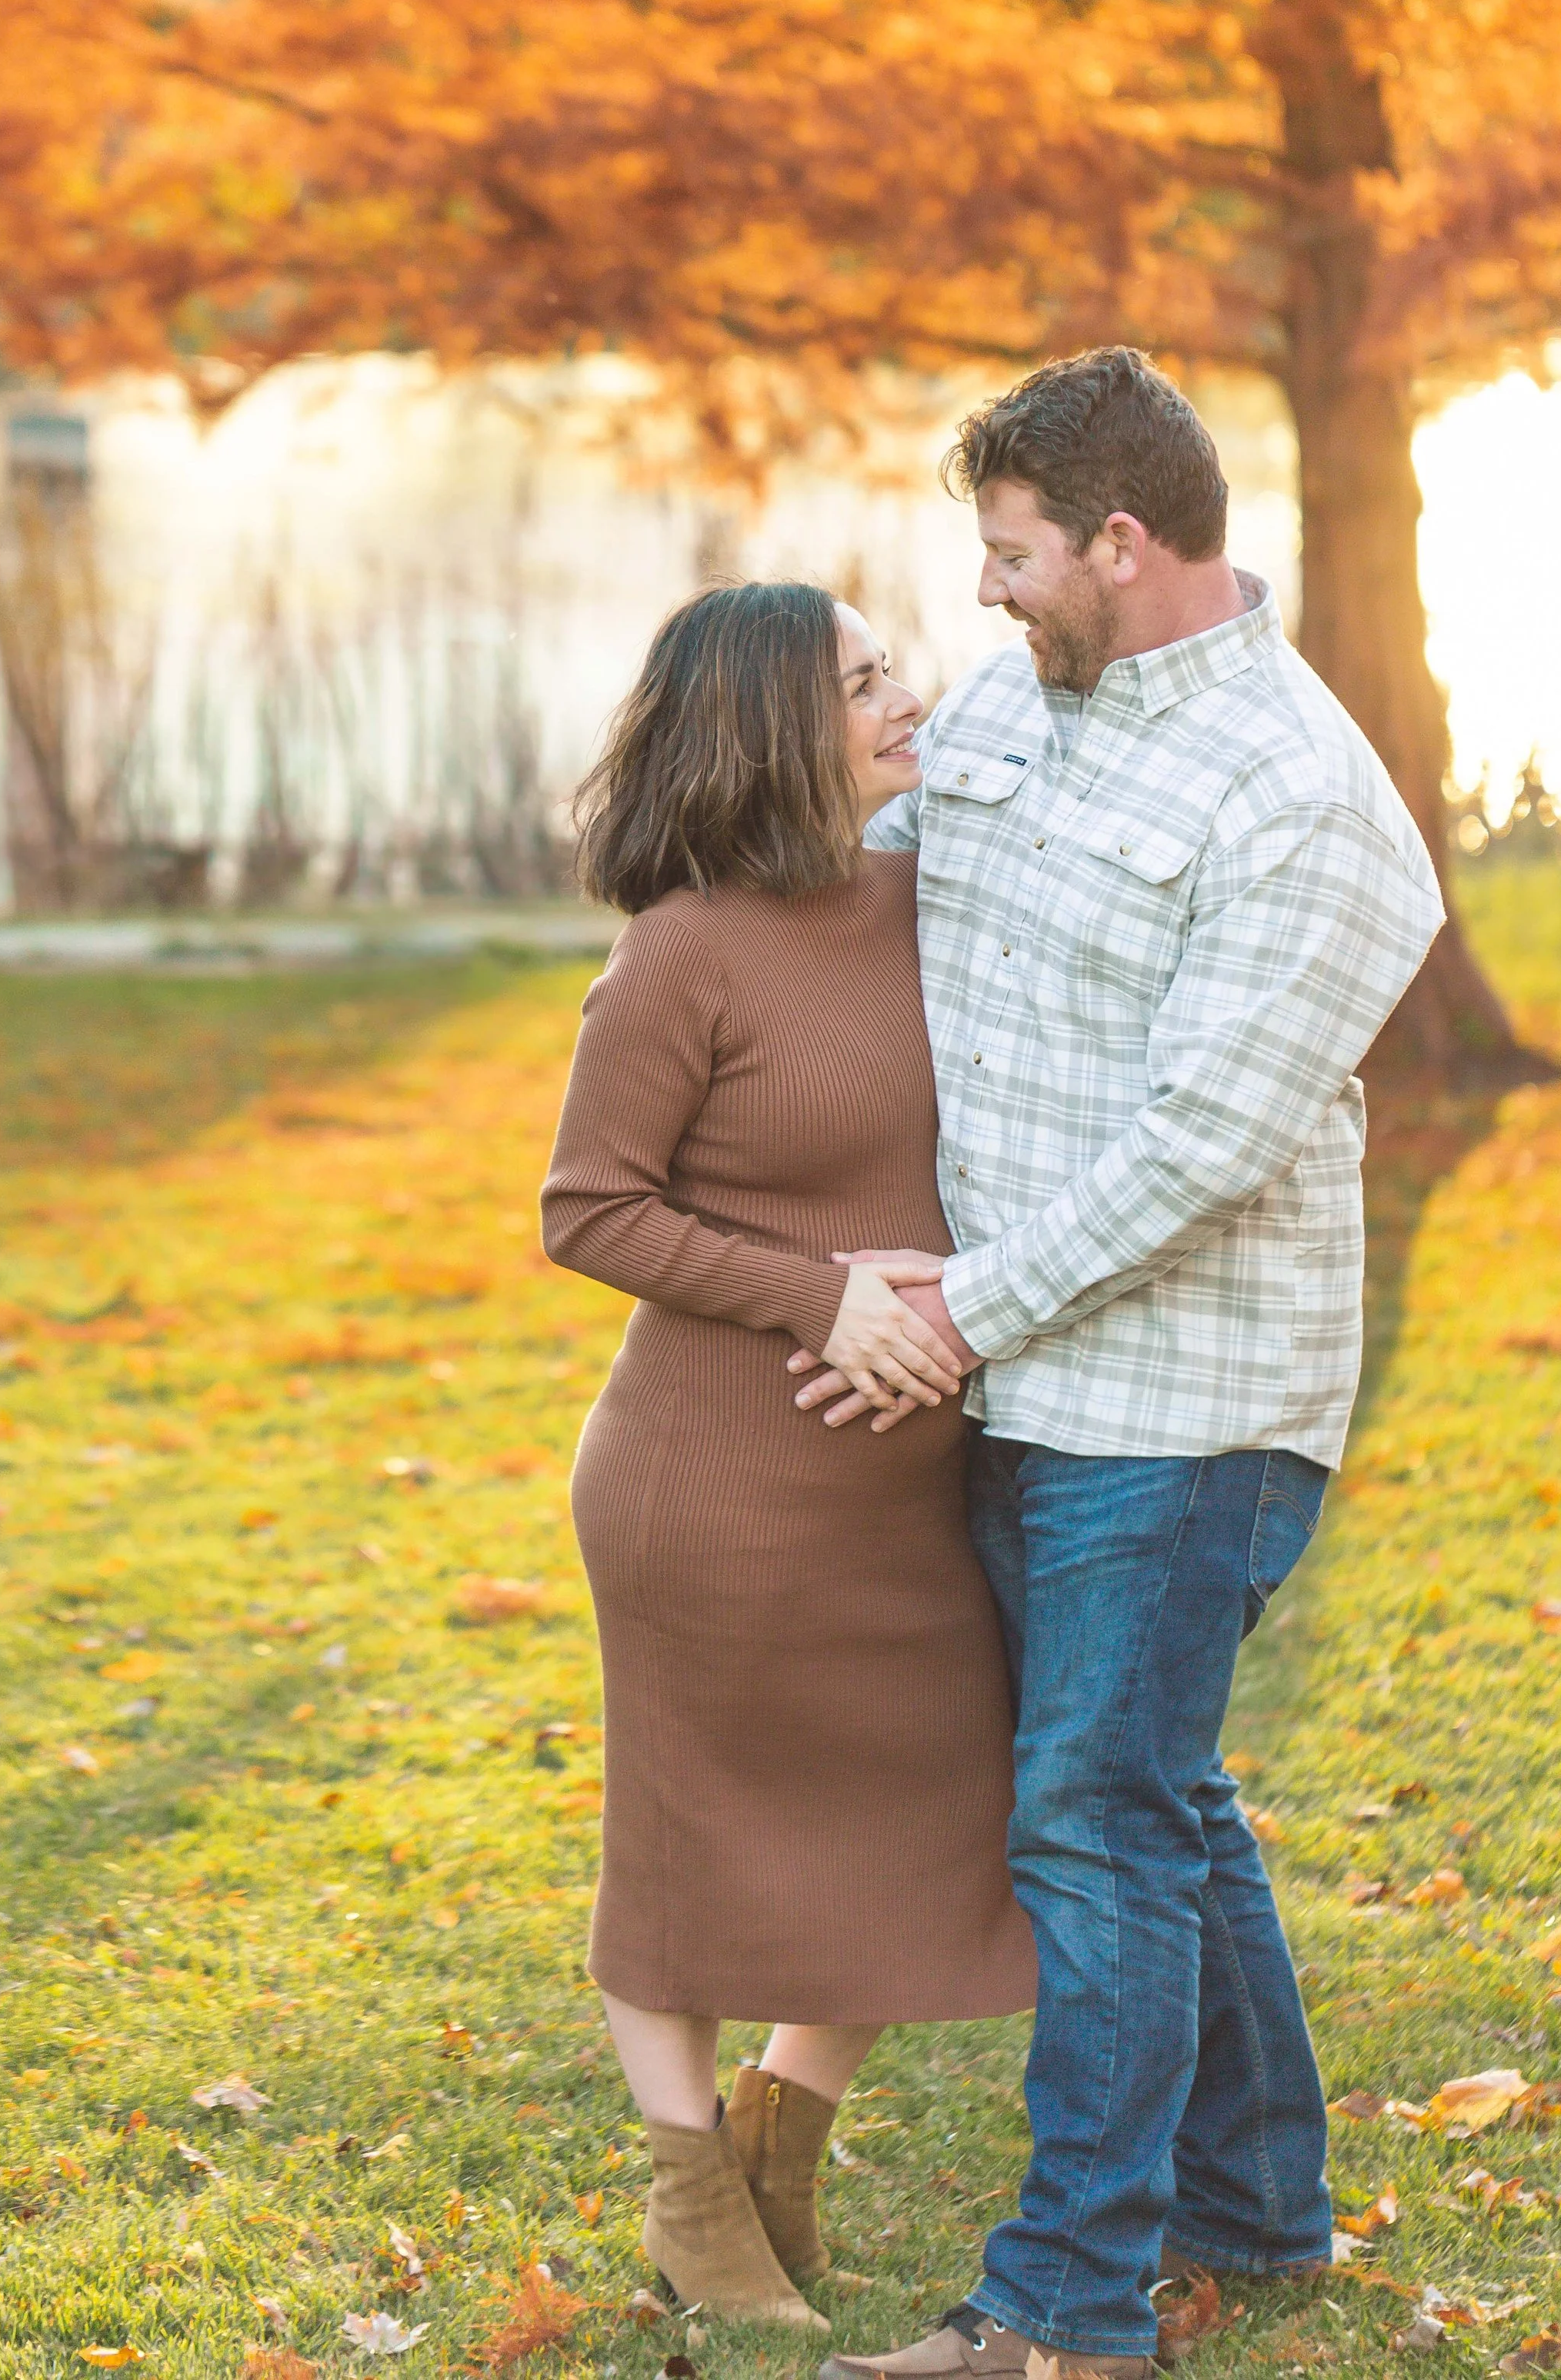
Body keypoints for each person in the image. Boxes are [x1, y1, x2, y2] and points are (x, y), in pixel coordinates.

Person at [789, 348, 1446, 2380]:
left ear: (1119, 542)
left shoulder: (1302, 802)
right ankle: (1254, 2201)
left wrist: (958, 1304)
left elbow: (1192, 1155)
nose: (979, 591)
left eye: (1006, 553)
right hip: (1022, 1380)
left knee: (1092, 1811)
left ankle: (1064, 2310)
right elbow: (886, 901)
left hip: (1180, 1406)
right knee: (1152, 1792)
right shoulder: (1021, 706)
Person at [539, 581, 1036, 2336]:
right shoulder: (683, 946)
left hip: (899, 1490)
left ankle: (781, 2145)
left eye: (891, 663)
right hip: (709, 1484)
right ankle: (693, 2194)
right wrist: (816, 1297)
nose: (907, 695)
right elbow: (585, 1208)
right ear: (771, 726)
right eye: (861, 680)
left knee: (942, 1820)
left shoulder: (927, 900)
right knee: (682, 1855)